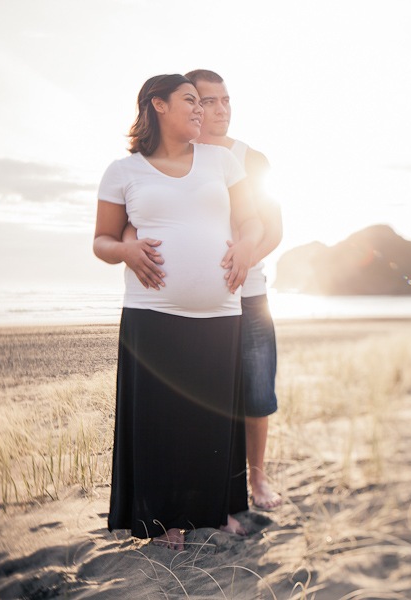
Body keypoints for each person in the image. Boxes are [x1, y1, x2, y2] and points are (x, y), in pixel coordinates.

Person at [93, 74, 261, 550]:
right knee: (161, 419)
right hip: (152, 311)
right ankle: (165, 519)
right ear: (157, 105)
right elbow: (103, 241)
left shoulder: (221, 160)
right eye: (190, 100)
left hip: (221, 310)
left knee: (216, 416)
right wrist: (126, 253)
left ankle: (221, 510)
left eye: (203, 103)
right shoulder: (123, 171)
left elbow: (250, 221)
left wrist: (247, 245)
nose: (200, 109)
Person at [127, 69, 284, 509]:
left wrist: (242, 261)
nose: (219, 110)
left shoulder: (251, 159)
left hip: (248, 294)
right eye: (207, 101)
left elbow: (273, 229)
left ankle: (257, 481)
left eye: (225, 101)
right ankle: (210, 489)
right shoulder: (174, 154)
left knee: (256, 393)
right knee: (203, 398)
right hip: (186, 305)